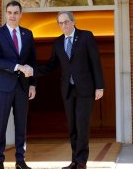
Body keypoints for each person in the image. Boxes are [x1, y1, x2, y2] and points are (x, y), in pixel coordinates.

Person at [38, 11, 104, 169]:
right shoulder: (58, 42)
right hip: (68, 90)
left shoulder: (86, 36)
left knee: (82, 125)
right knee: (72, 127)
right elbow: (52, 65)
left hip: (85, 89)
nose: (63, 25)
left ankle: (81, 161)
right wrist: (32, 71)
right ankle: (74, 160)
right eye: (60, 23)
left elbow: (95, 62)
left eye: (66, 22)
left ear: (73, 22)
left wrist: (99, 86)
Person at [0, 1, 36, 169]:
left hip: (23, 87)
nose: (12, 16)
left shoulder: (27, 34)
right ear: (6, 13)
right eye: (10, 12)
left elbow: (32, 61)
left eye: (16, 12)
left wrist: (32, 85)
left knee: (21, 124)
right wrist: (17, 67)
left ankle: (20, 160)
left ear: (21, 14)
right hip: (3, 87)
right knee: (0, 124)